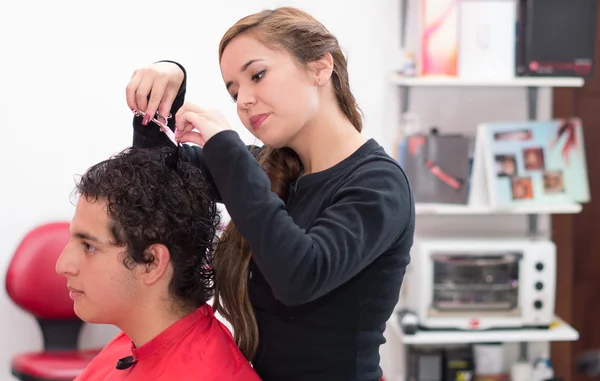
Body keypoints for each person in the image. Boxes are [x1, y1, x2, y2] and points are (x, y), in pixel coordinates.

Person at [126, 7, 414, 381]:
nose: (244, 100)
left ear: (320, 67)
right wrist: (169, 79)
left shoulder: (378, 183)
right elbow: (152, 176)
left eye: (257, 75)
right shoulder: (266, 167)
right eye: (234, 92)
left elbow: (300, 275)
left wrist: (225, 148)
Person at [55, 147, 261, 381]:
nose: (62, 265)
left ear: (152, 262)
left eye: (89, 246)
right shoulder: (134, 341)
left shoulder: (208, 373)